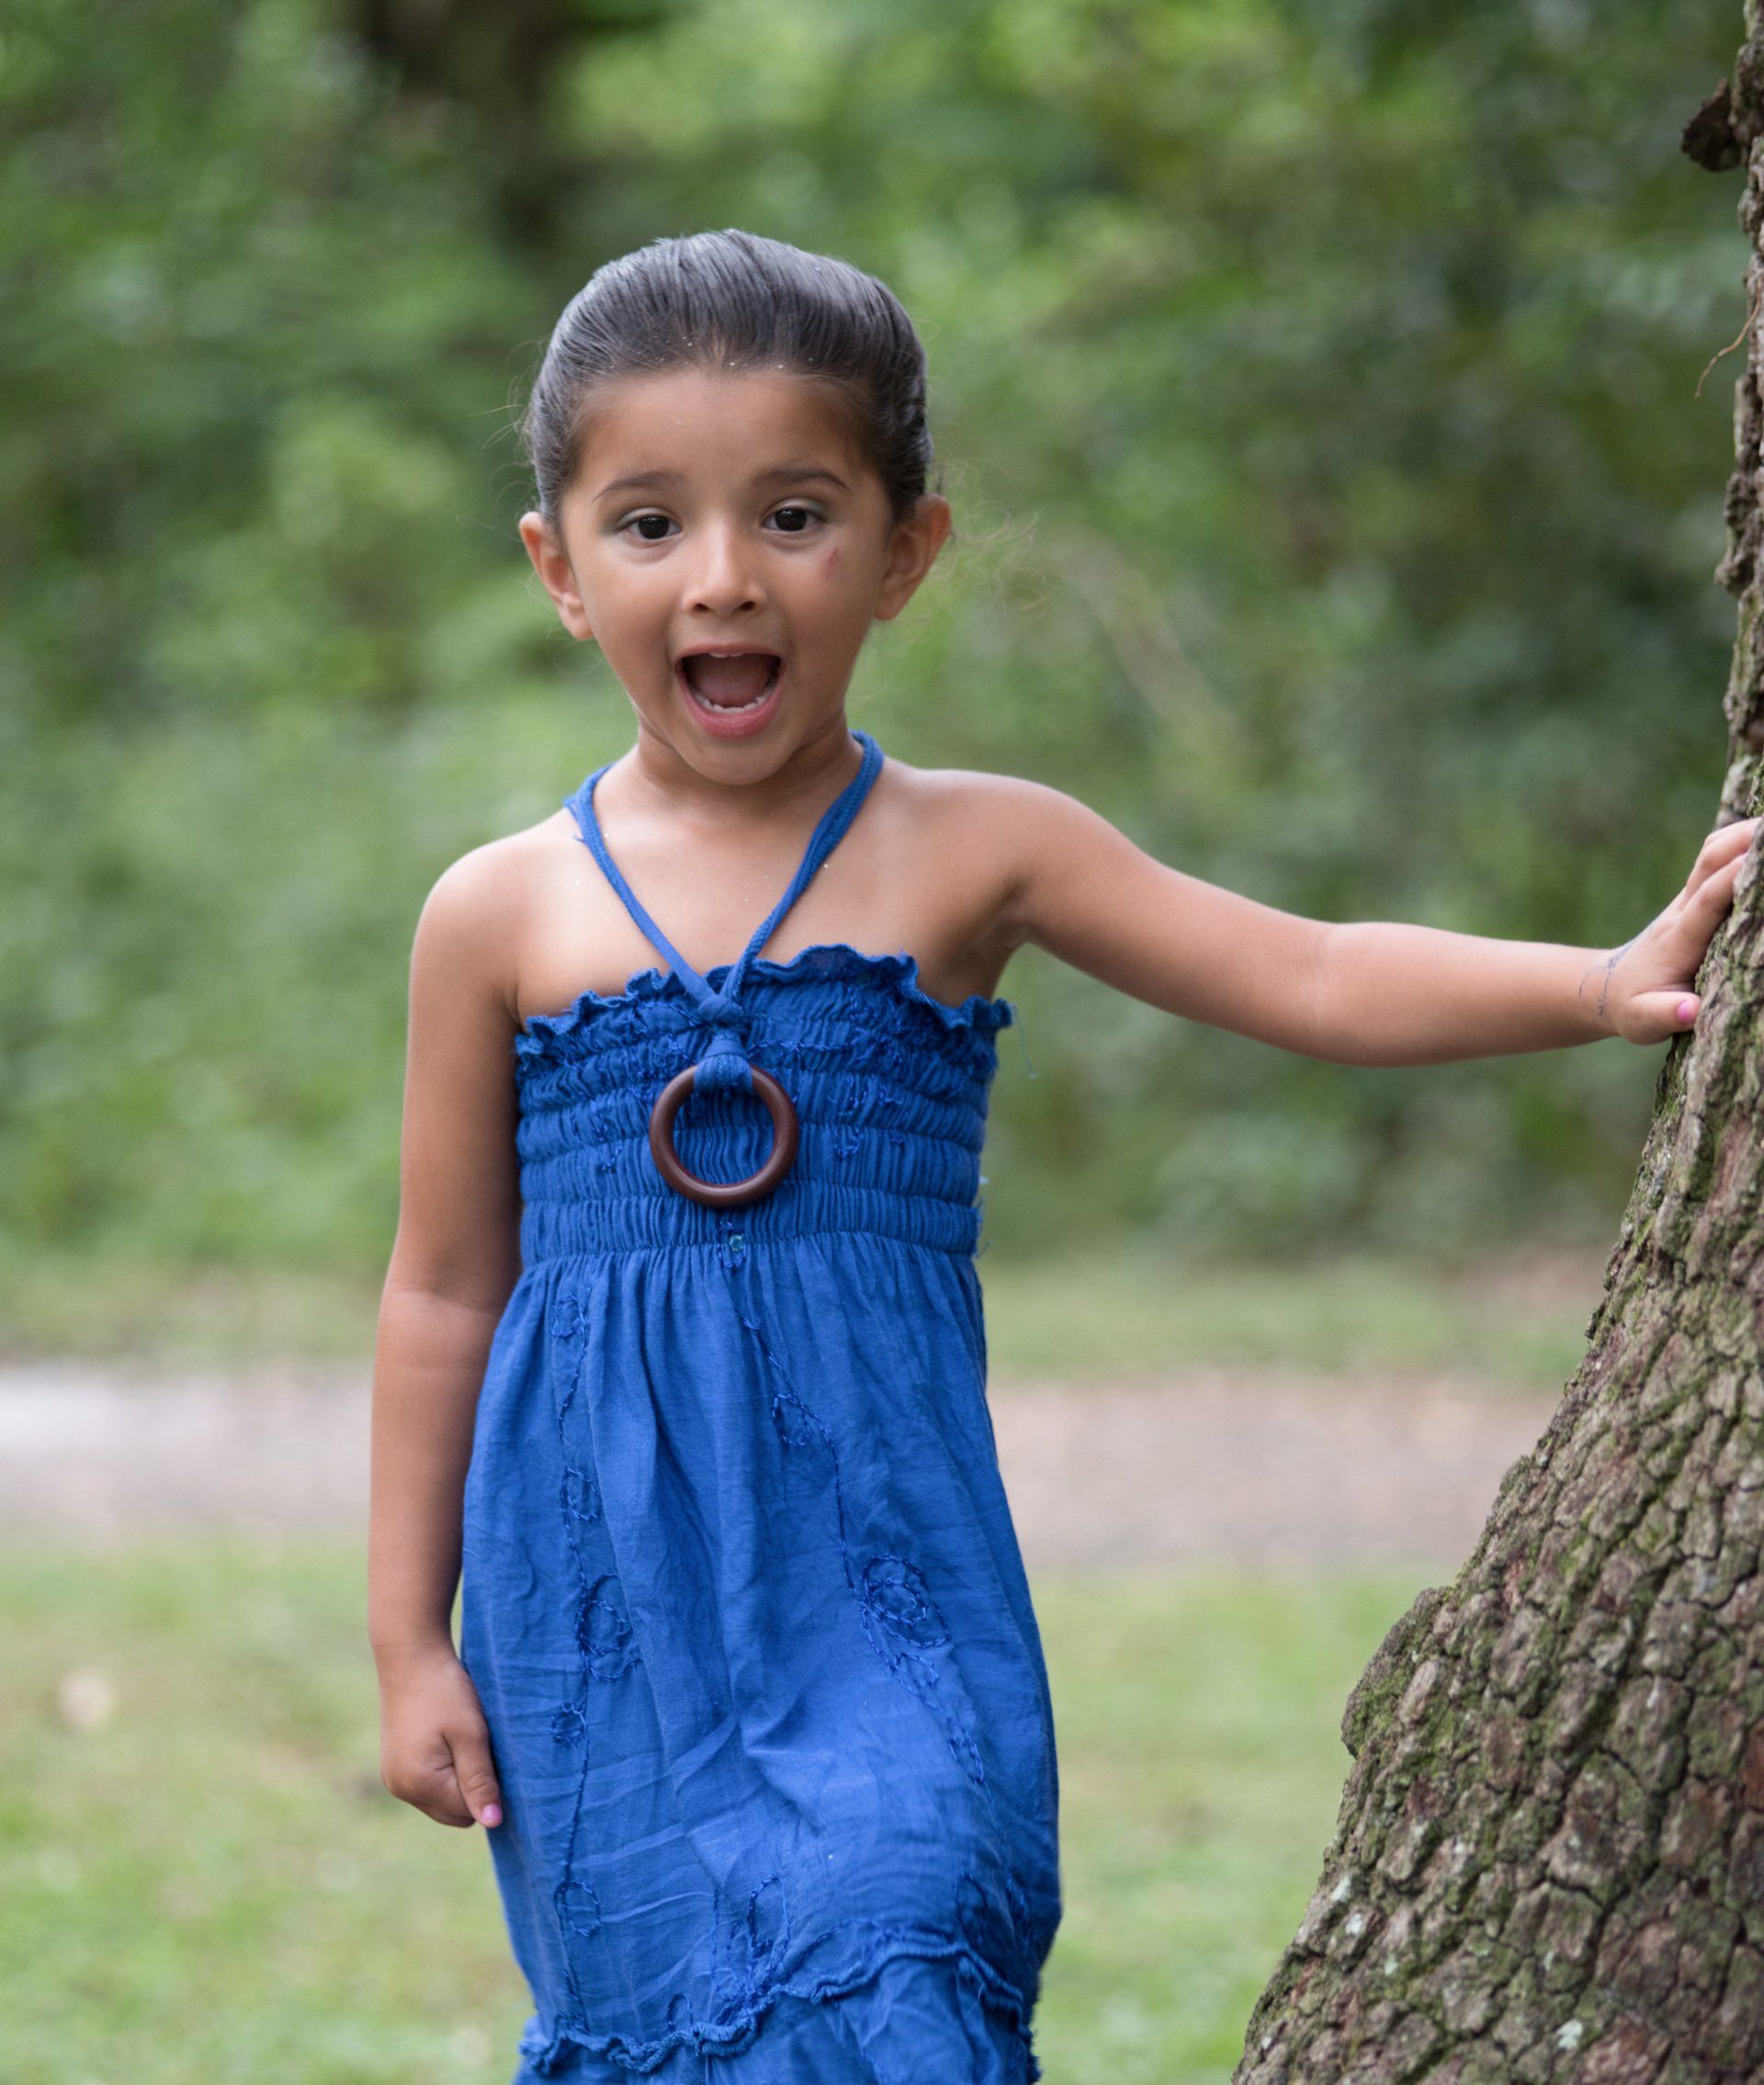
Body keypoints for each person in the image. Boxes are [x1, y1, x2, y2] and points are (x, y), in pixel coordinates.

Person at [367, 228, 1758, 2083]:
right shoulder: (498, 913)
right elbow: (444, 1287)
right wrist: (408, 1638)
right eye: (649, 524)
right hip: (598, 1600)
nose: (724, 577)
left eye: (795, 514)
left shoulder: (975, 851)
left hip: (886, 1574)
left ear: (905, 549)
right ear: (559, 567)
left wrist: (1597, 980)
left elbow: (1308, 970)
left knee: (909, 1915)